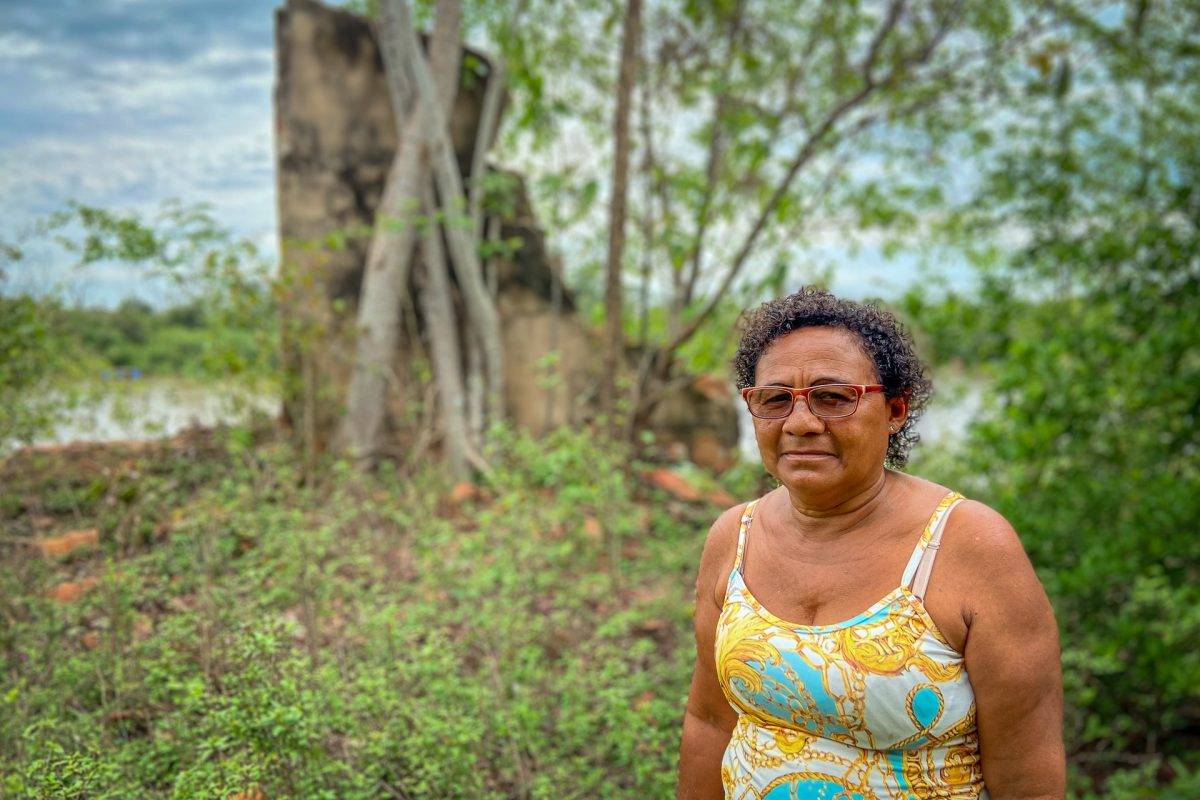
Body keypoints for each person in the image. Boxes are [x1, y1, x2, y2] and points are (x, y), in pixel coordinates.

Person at [676, 288, 1065, 800]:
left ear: (895, 409)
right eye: (774, 399)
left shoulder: (969, 544)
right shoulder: (736, 535)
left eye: (834, 398)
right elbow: (710, 723)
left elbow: (1029, 781)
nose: (800, 423)